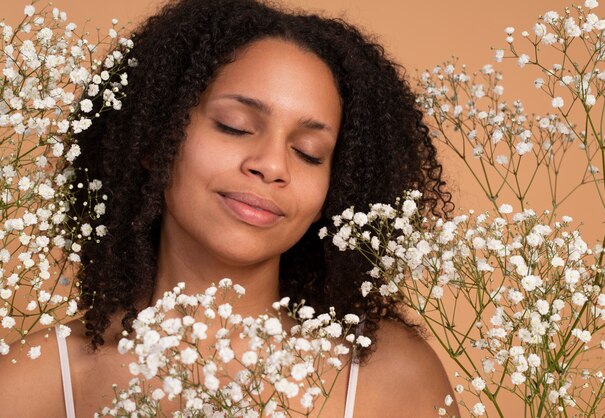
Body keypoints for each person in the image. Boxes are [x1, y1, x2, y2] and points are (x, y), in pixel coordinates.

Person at [0, 0, 459, 416]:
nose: (272, 166)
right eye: (234, 126)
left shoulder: (394, 380)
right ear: (156, 139)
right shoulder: (35, 385)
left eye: (309, 153)